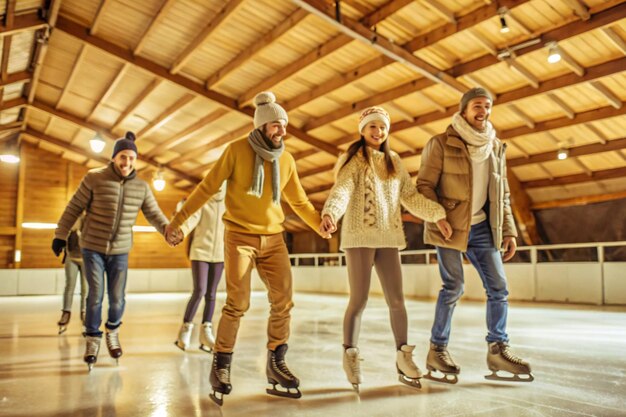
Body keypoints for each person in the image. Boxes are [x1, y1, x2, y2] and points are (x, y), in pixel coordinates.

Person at [165, 92, 331, 406]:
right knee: (237, 302)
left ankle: (276, 362)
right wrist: (179, 220)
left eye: (284, 125)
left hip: (274, 239)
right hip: (239, 236)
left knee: (283, 300)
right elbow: (207, 187)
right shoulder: (236, 151)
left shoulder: (287, 159)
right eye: (276, 126)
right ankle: (221, 365)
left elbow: (299, 201)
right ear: (262, 125)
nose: (282, 131)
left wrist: (317, 223)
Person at [319, 107, 452, 391]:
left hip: (389, 238)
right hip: (359, 238)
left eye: (382, 127)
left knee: (397, 300)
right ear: (363, 130)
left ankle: (403, 356)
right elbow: (341, 190)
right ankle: (350, 354)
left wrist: (437, 214)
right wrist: (331, 212)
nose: (378, 132)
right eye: (372, 127)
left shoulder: (394, 162)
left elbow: (410, 196)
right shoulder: (353, 160)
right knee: (359, 300)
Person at [416, 87, 533, 383]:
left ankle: (498, 349)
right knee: (453, 287)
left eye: (488, 106)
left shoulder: (495, 146)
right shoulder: (440, 143)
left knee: (499, 288)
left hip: (483, 227)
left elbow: (502, 193)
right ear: (465, 110)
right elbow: (424, 186)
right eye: (478, 106)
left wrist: (508, 231)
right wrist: (438, 215)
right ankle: (437, 350)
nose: (483, 111)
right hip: (449, 226)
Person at [52, 131, 173, 371]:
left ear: (135, 159)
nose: (126, 162)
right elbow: (74, 207)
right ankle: (93, 339)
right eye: (122, 157)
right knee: (95, 294)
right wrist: (60, 235)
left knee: (117, 297)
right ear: (114, 157)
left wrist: (168, 230)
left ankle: (113, 331)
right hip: (92, 247)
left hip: (120, 250)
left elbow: (154, 214)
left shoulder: (141, 187)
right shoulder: (94, 178)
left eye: (131, 158)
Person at [174, 182, 226, 353]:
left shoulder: (230, 202)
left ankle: (206, 332)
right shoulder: (203, 200)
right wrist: (181, 231)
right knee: (200, 290)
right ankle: (185, 330)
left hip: (219, 255)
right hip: (200, 253)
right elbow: (192, 219)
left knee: (212, 294)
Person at [57, 215, 87, 334]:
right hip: (71, 257)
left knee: (86, 289)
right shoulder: (71, 219)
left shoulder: (89, 219)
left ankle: (84, 313)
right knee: (70, 285)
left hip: (86, 258)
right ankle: (66, 313)